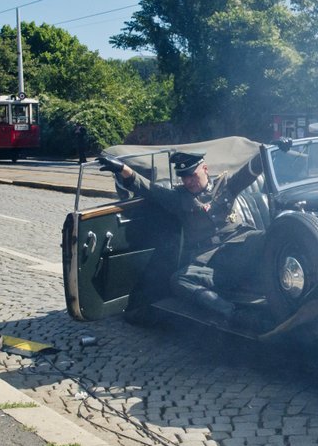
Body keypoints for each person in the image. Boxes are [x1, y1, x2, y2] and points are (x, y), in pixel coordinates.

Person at [97, 140, 291, 327]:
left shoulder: (225, 187)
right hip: (213, 261)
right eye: (184, 177)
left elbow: (249, 172)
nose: (189, 181)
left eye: (193, 175)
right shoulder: (178, 198)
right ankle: (233, 314)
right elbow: (147, 188)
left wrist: (272, 149)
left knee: (276, 235)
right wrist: (122, 169)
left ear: (205, 169)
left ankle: (301, 285)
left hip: (242, 244)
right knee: (180, 280)